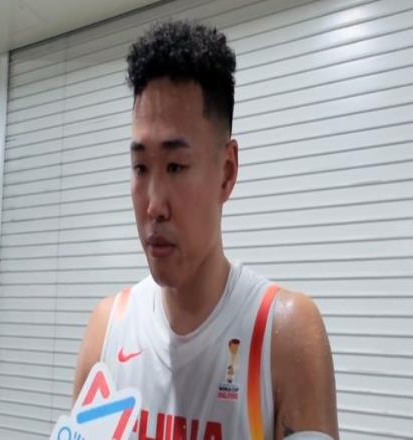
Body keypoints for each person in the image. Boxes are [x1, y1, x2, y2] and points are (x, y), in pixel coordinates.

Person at [73, 20, 339, 440]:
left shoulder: (284, 334)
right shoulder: (106, 332)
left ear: (227, 172)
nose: (153, 205)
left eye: (176, 167)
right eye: (140, 167)